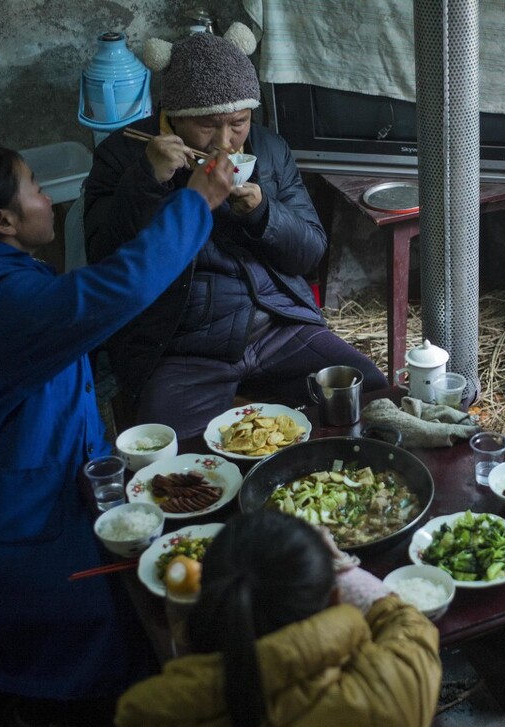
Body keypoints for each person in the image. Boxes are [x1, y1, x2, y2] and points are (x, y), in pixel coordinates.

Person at [0, 144, 233, 727]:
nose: (48, 198)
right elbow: (117, 287)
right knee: (124, 597)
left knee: (152, 558)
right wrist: (194, 203)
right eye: (34, 187)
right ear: (2, 220)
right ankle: (65, 713)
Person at [84, 23, 386, 438]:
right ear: (172, 115)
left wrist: (263, 214)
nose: (225, 142)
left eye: (238, 123)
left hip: (277, 326)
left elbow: (310, 251)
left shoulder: (269, 148)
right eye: (207, 125)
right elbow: (103, 260)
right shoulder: (122, 157)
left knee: (367, 391)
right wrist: (146, 180)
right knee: (172, 450)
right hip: (181, 345)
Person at [115, 510, 442, 727]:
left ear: (211, 600)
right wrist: (341, 567)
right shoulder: (388, 692)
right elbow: (411, 625)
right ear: (334, 599)